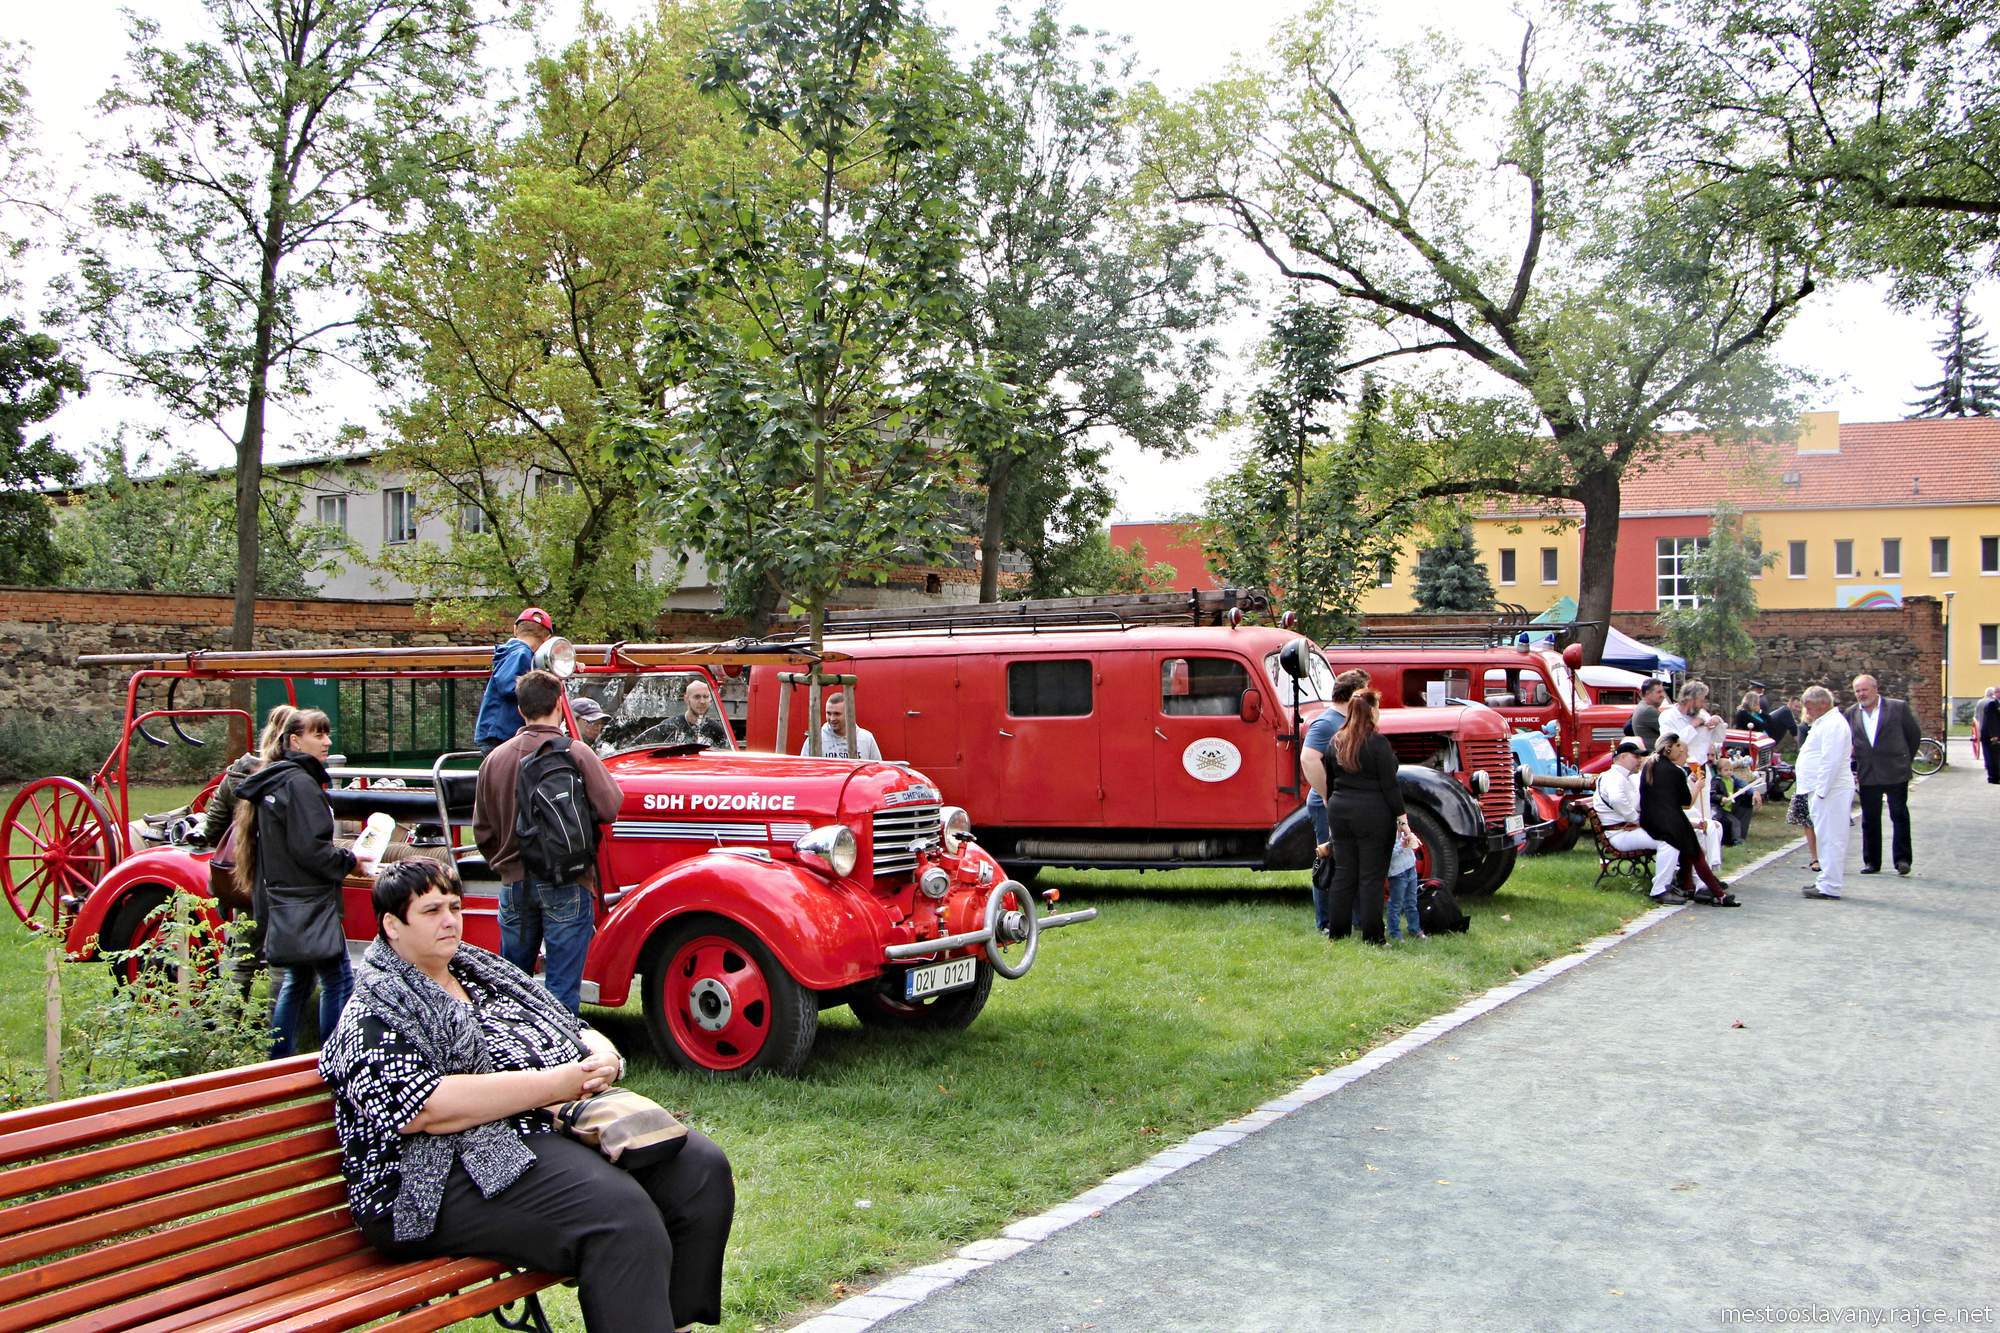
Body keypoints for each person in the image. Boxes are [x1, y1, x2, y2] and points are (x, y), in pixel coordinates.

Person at [319, 859, 733, 1333]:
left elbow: (567, 1025)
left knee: (698, 1169)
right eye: (431, 910)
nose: (450, 920)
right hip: (427, 1179)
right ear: (392, 925)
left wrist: (604, 1053)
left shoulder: (478, 971)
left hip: (525, 1133)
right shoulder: (374, 1006)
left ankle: (673, 1325)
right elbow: (426, 1110)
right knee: (618, 1217)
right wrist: (557, 1084)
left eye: (454, 906)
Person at [473, 670, 623, 1014]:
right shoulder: (576, 752)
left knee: (512, 986)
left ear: (521, 709)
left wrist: (506, 864)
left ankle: (515, 1054)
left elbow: (482, 831)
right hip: (568, 880)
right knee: (561, 987)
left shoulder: (494, 760)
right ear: (560, 704)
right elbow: (610, 806)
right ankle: (562, 1059)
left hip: (515, 884)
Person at [233, 708, 357, 1056]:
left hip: (287, 899)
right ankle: (336, 1058)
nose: (327, 742)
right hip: (310, 901)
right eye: (318, 735)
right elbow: (311, 848)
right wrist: (349, 860)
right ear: (294, 740)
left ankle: (277, 1060)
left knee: (298, 982)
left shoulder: (275, 780)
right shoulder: (301, 784)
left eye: (327, 734)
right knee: (338, 979)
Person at [1322, 689, 1408, 945]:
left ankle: (1337, 933)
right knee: (1371, 877)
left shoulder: (1335, 741)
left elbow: (1329, 780)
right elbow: (1390, 785)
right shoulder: (1378, 743)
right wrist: (1402, 819)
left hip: (1340, 810)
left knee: (1344, 873)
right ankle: (1373, 936)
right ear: (1371, 711)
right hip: (1373, 813)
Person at [1300, 669, 1370, 936]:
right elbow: (1309, 758)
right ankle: (1326, 922)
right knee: (1329, 861)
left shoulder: (1346, 722)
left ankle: (1351, 918)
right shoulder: (1327, 723)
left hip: (1344, 803)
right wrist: (1328, 796)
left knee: (1348, 861)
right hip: (1326, 804)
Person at [1638, 733, 1737, 906]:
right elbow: (1686, 803)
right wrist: (1698, 786)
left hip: (1650, 819)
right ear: (1670, 748)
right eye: (1680, 748)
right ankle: (1716, 893)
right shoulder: (1674, 771)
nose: (1683, 752)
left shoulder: (1650, 765)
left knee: (1691, 849)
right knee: (1696, 852)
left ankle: (1691, 885)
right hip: (1669, 822)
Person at [1845, 674, 1921, 876]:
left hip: (1895, 770)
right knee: (1869, 819)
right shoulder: (1851, 713)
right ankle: (1872, 861)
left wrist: (1905, 759)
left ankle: (1902, 860)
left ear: (1875, 689)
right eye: (1857, 691)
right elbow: (1849, 741)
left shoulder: (1897, 707)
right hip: (1868, 773)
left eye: (1864, 689)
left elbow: (1913, 734)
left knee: (1899, 814)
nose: (1861, 694)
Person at [1591, 737, 1681, 904]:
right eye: (1635, 757)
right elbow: (1617, 800)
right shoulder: (1613, 777)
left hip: (1625, 830)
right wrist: (1637, 820)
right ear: (1622, 757)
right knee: (1670, 840)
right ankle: (1660, 889)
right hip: (1618, 834)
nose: (1639, 760)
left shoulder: (1625, 777)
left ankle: (1681, 880)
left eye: (1640, 757)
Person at [1796, 685, 1854, 900]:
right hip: (1822, 790)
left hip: (1830, 790)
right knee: (1825, 837)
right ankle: (1826, 880)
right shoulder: (1826, 722)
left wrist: (1821, 791)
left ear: (1823, 704)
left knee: (1831, 838)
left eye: (1809, 707)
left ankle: (1830, 884)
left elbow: (1831, 760)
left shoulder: (1833, 724)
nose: (1806, 711)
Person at [476, 608, 555, 754]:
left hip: (499, 733)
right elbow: (508, 686)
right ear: (547, 638)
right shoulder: (520, 653)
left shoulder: (517, 653)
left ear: (515, 629)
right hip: (499, 734)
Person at [646, 679, 731, 751]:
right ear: (686, 699)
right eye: (697, 697)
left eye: (705, 697)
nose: (702, 701)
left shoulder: (716, 730)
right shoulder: (668, 727)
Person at [1659, 680, 1726, 771]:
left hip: (1701, 766)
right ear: (1690, 700)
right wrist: (1693, 726)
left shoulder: (1702, 714)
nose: (1703, 705)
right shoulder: (1668, 716)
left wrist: (1717, 721)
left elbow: (1719, 739)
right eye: (1701, 701)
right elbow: (1671, 745)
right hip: (1679, 767)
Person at [801, 689, 881, 761]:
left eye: (837, 714)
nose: (832, 718)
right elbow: (804, 771)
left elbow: (877, 771)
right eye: (828, 713)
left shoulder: (866, 739)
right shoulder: (814, 740)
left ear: (848, 714)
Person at [1384, 823, 1423, 942]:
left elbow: (1413, 843)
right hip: (1397, 872)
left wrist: (1411, 837)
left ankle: (1415, 928)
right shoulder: (1385, 833)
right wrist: (1402, 845)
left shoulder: (1403, 829)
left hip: (1410, 867)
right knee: (1396, 904)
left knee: (1412, 901)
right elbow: (1388, 854)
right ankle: (1394, 931)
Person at [1628, 678, 1667, 752]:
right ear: (1647, 693)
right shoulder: (1648, 710)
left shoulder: (1642, 706)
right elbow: (1671, 730)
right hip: (1654, 755)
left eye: (1663, 691)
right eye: (1659, 692)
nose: (1663, 695)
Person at [1976, 686, 2000, 785]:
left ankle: (1995, 776)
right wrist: (1994, 736)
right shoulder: (1992, 704)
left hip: (1991, 733)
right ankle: (1993, 777)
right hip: (1990, 734)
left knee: (1994, 756)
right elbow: (1991, 721)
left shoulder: (1994, 703)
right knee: (1992, 756)